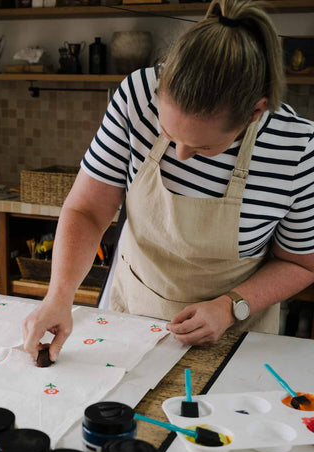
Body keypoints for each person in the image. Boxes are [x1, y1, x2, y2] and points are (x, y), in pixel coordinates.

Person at [23, 0, 314, 362]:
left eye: (203, 146)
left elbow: (301, 263)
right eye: (167, 133)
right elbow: (87, 210)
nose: (179, 155)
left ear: (255, 112)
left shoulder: (296, 149)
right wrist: (59, 295)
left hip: (234, 342)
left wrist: (230, 307)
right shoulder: (136, 96)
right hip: (129, 321)